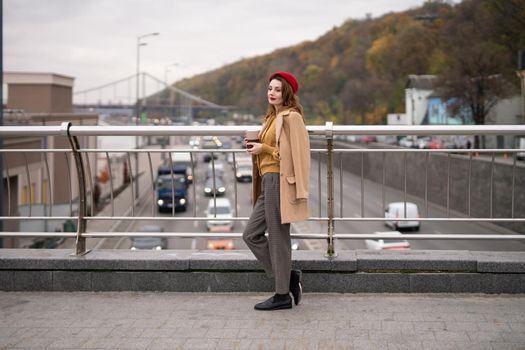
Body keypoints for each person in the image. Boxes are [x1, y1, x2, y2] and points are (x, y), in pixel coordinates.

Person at [243, 71, 310, 311]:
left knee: (278, 238)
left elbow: (294, 156)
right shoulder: (272, 117)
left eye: (277, 89)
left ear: (287, 93)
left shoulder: (291, 117)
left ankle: (282, 294)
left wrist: (265, 149)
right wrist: (257, 146)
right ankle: (288, 276)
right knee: (251, 234)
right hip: (267, 181)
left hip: (279, 182)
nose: (272, 92)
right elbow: (271, 148)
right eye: (270, 88)